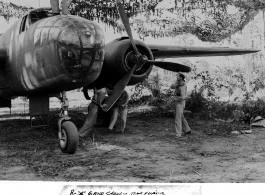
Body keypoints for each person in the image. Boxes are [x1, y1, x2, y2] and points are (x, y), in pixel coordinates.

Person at [170, 73, 191, 138]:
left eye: (178, 76)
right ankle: (187, 130)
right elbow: (172, 86)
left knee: (178, 119)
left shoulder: (183, 85)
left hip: (180, 103)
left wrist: (175, 99)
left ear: (181, 77)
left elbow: (183, 97)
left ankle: (178, 134)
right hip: (178, 103)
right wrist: (178, 84)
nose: (176, 77)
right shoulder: (178, 83)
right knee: (181, 116)